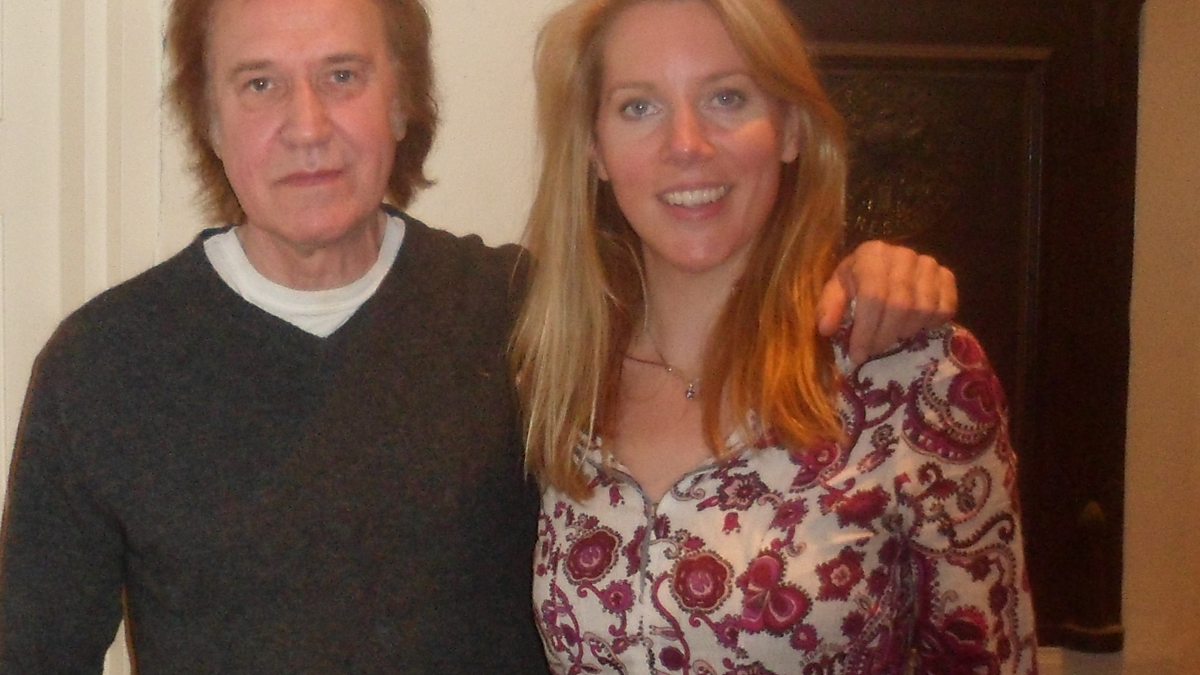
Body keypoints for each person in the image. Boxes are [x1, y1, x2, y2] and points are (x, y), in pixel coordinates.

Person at [0, 0, 957, 671]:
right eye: (259, 84)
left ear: (403, 100)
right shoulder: (104, 365)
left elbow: (712, 283)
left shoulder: (532, 315)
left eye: (343, 75)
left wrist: (863, 274)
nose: (307, 126)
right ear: (207, 117)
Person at [512, 0, 1037, 673]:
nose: (686, 143)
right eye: (638, 107)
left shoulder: (911, 376)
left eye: (727, 97)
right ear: (595, 150)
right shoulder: (556, 378)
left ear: (790, 128)